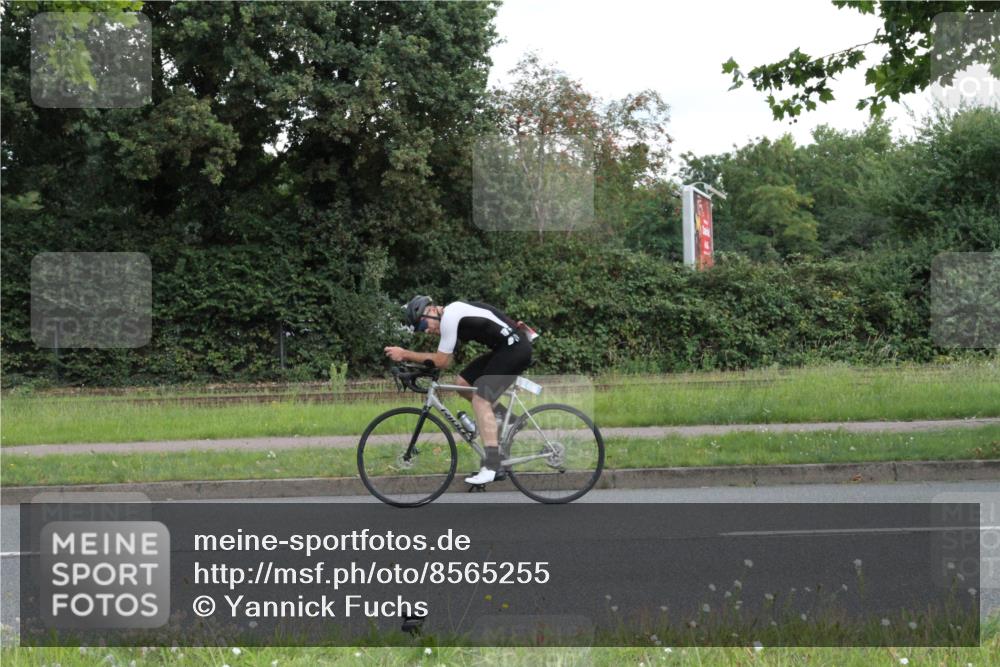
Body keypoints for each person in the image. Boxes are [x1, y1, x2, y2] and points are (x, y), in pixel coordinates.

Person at [384, 296, 534, 484]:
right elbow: (446, 361)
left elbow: (442, 361)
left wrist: (405, 353)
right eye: (422, 330)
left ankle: (493, 465)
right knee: (463, 383)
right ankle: (507, 420)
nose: (427, 331)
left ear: (430, 310)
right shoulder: (452, 317)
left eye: (423, 325)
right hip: (506, 348)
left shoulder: (451, 316)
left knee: (481, 400)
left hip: (515, 349)